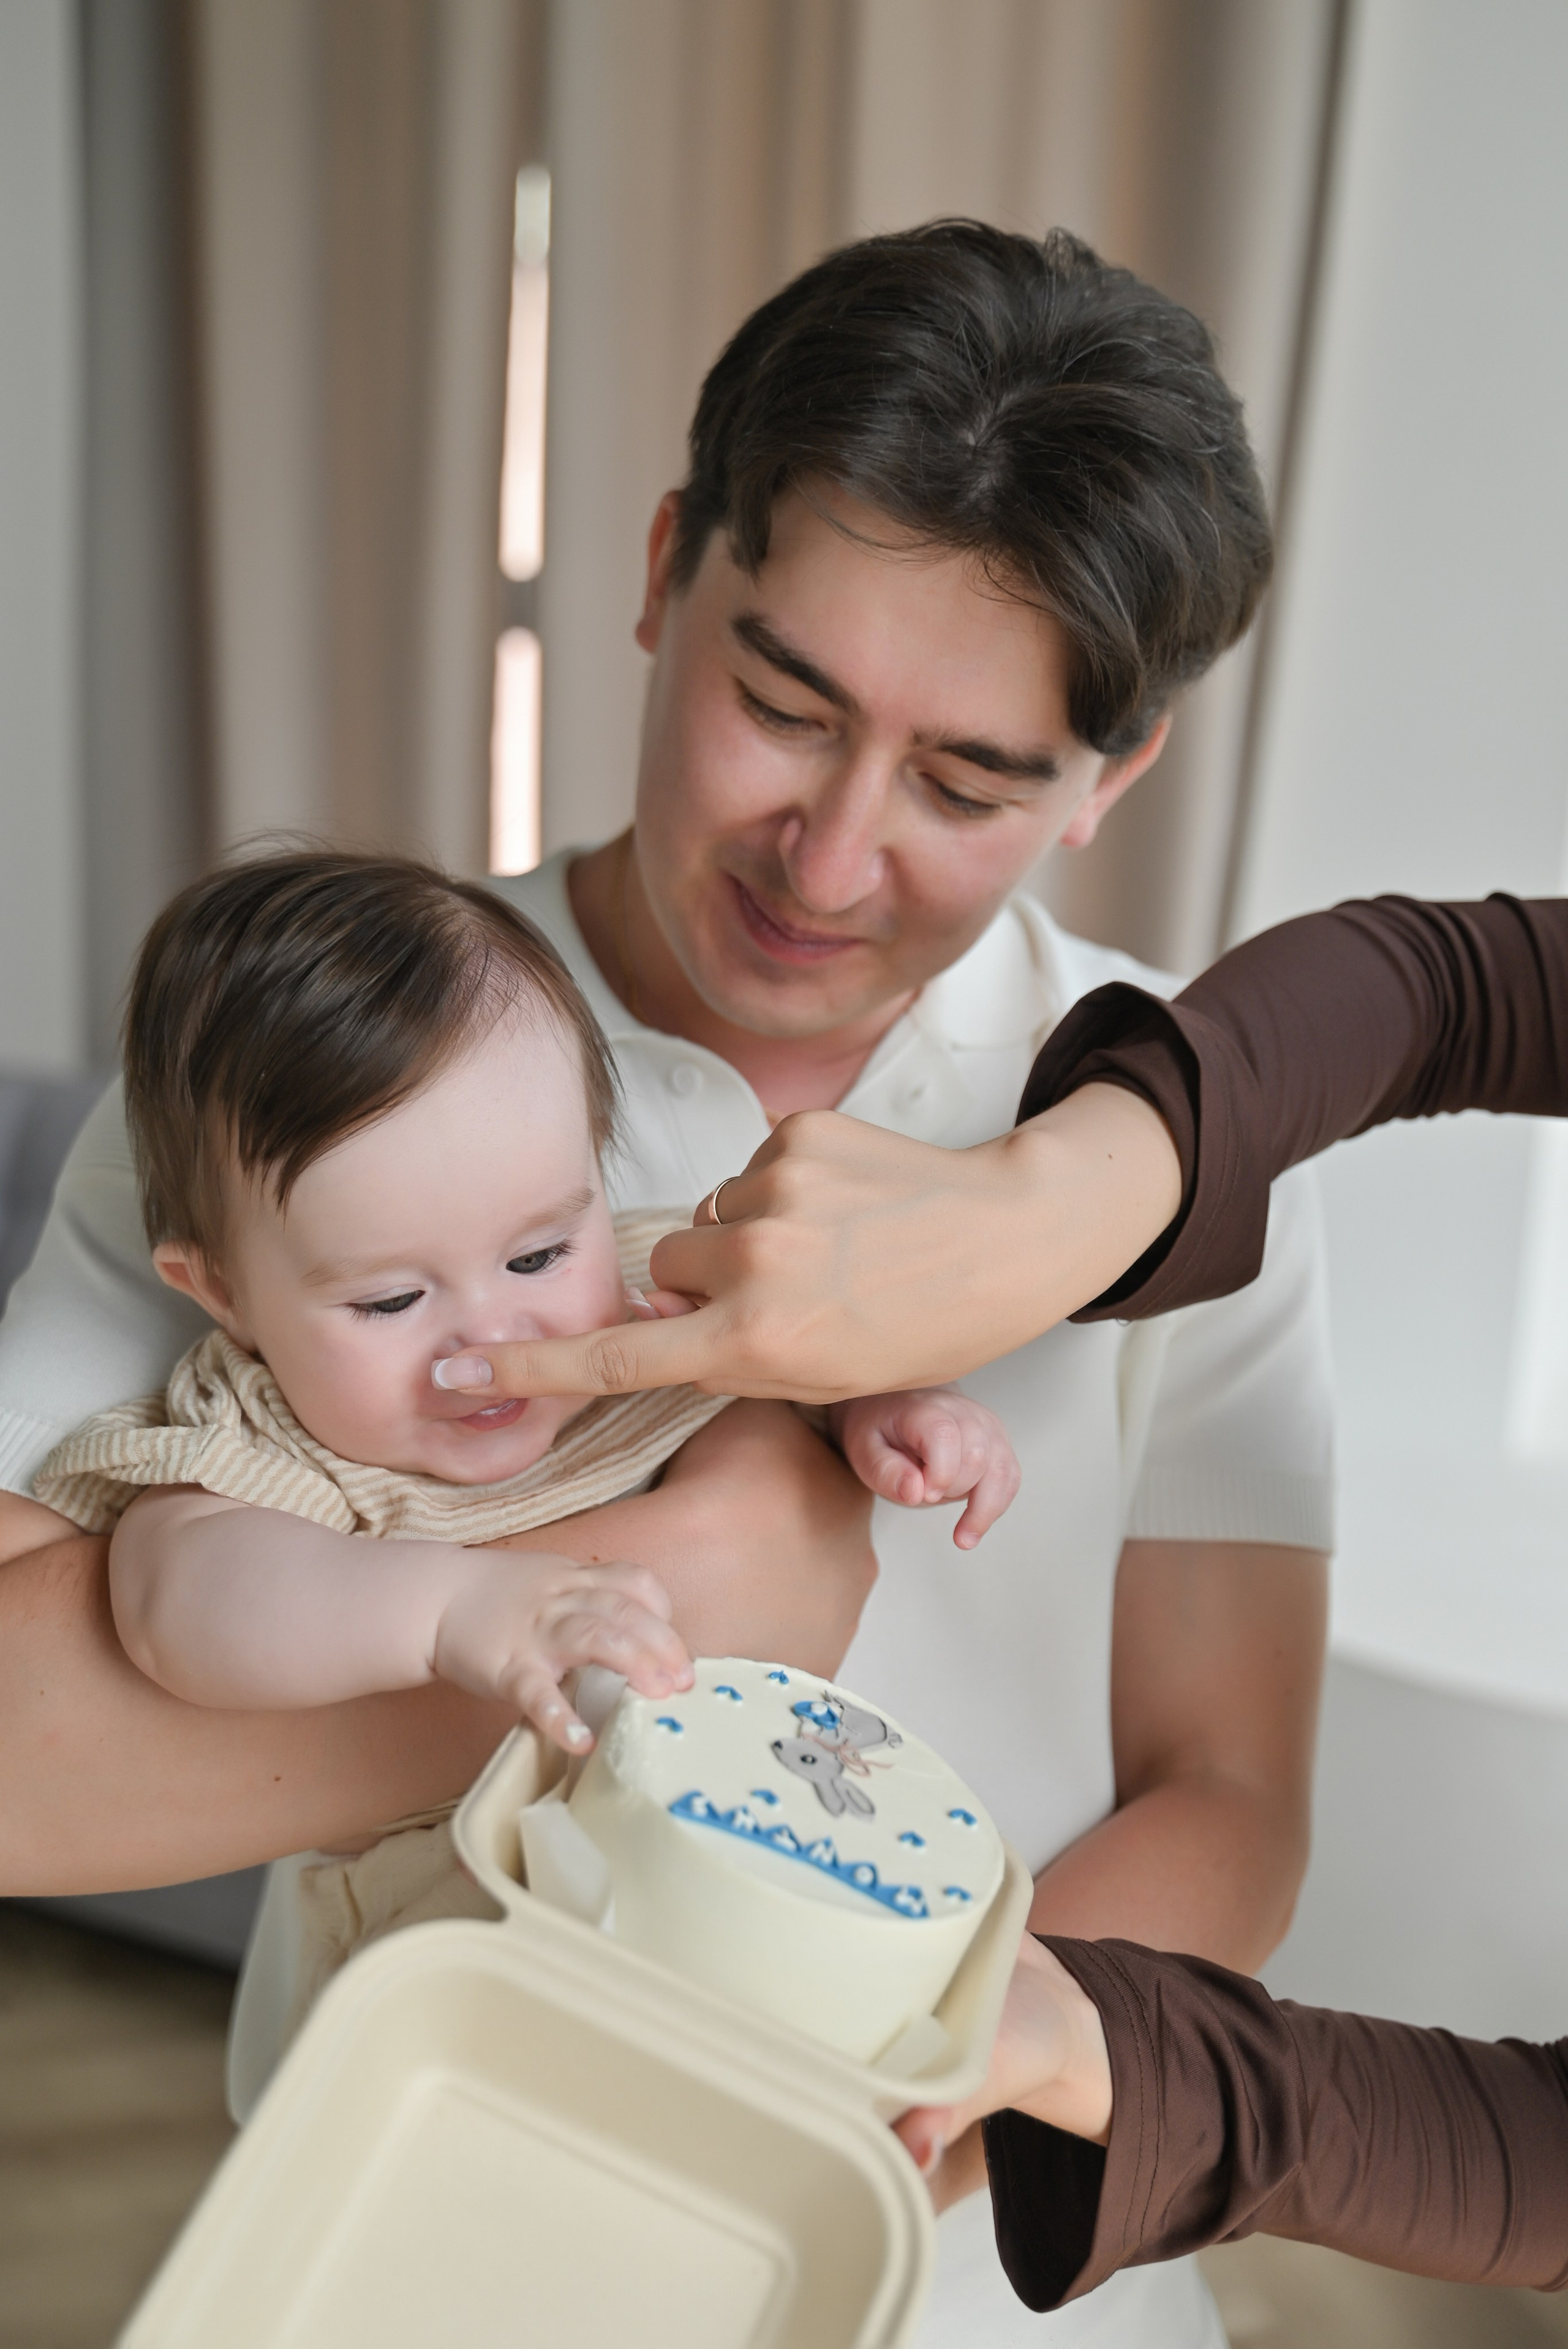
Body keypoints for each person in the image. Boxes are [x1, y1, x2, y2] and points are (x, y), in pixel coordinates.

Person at [0, 224, 1335, 2348]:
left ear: (1113, 778)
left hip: (977, 2265)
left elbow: (1230, 1791)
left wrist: (901, 2104)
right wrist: (700, 1568)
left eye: (971, 782)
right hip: (426, 2234)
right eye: (776, 702)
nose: (826, 859)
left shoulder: (1164, 1134)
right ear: (657, 569)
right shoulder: (303, 1089)